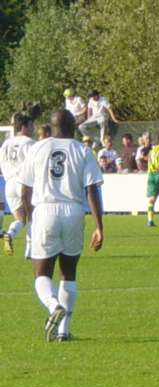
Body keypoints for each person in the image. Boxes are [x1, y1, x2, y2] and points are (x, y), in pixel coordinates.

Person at [17, 109, 104, 342]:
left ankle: (53, 305)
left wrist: (33, 217)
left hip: (45, 209)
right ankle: (64, 331)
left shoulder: (37, 148)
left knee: (41, 273)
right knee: (69, 273)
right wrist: (99, 227)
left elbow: (25, 190)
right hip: (74, 211)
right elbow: (92, 189)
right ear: (73, 125)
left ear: (52, 126)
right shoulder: (82, 150)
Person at [0, 112, 34, 256]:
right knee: (33, 216)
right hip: (23, 182)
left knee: (19, 218)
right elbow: (33, 163)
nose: (33, 128)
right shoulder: (28, 142)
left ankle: (10, 233)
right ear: (25, 126)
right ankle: (30, 251)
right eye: (31, 126)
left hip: (9, 183)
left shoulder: (6, 143)